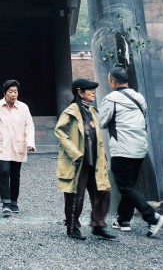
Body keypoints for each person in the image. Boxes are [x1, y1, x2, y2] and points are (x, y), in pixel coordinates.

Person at [97, 66, 163, 238]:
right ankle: (124, 219)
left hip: (122, 148)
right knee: (129, 186)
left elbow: (102, 122)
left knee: (125, 186)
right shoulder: (139, 98)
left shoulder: (111, 99)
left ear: (112, 82)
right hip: (139, 148)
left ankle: (153, 217)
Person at [55, 78, 116, 241]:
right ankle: (72, 226)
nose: (93, 92)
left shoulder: (92, 111)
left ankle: (98, 225)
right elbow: (60, 131)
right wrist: (74, 152)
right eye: (90, 90)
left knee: (103, 191)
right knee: (76, 195)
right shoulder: (71, 111)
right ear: (80, 92)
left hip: (95, 160)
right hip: (80, 161)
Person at [0, 79, 35, 217]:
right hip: (2, 144)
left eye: (15, 91)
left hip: (18, 144)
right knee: (4, 171)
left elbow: (29, 126)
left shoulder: (24, 107)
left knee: (15, 174)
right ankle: (5, 203)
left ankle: (14, 202)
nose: (13, 94)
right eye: (10, 91)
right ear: (5, 93)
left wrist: (30, 142)